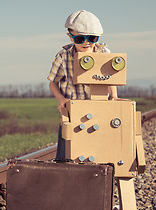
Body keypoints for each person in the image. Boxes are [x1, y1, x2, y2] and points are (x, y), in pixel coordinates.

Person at [47, 10, 119, 159]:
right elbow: (53, 83)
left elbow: (110, 78)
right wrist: (61, 100)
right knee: (66, 154)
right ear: (70, 36)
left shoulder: (104, 54)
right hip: (72, 113)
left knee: (99, 154)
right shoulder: (63, 56)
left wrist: (114, 96)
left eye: (92, 38)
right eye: (80, 39)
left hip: (99, 112)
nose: (87, 43)